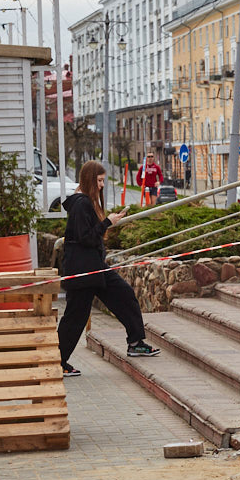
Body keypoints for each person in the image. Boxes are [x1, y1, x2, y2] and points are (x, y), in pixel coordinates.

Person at [58, 160, 160, 377]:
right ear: (90, 179)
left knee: (124, 295)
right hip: (84, 272)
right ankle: (57, 361)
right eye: (100, 180)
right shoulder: (81, 204)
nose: (103, 185)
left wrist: (107, 222)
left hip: (94, 269)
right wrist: (108, 223)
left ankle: (135, 341)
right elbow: (85, 238)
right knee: (75, 318)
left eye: (104, 180)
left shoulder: (84, 203)